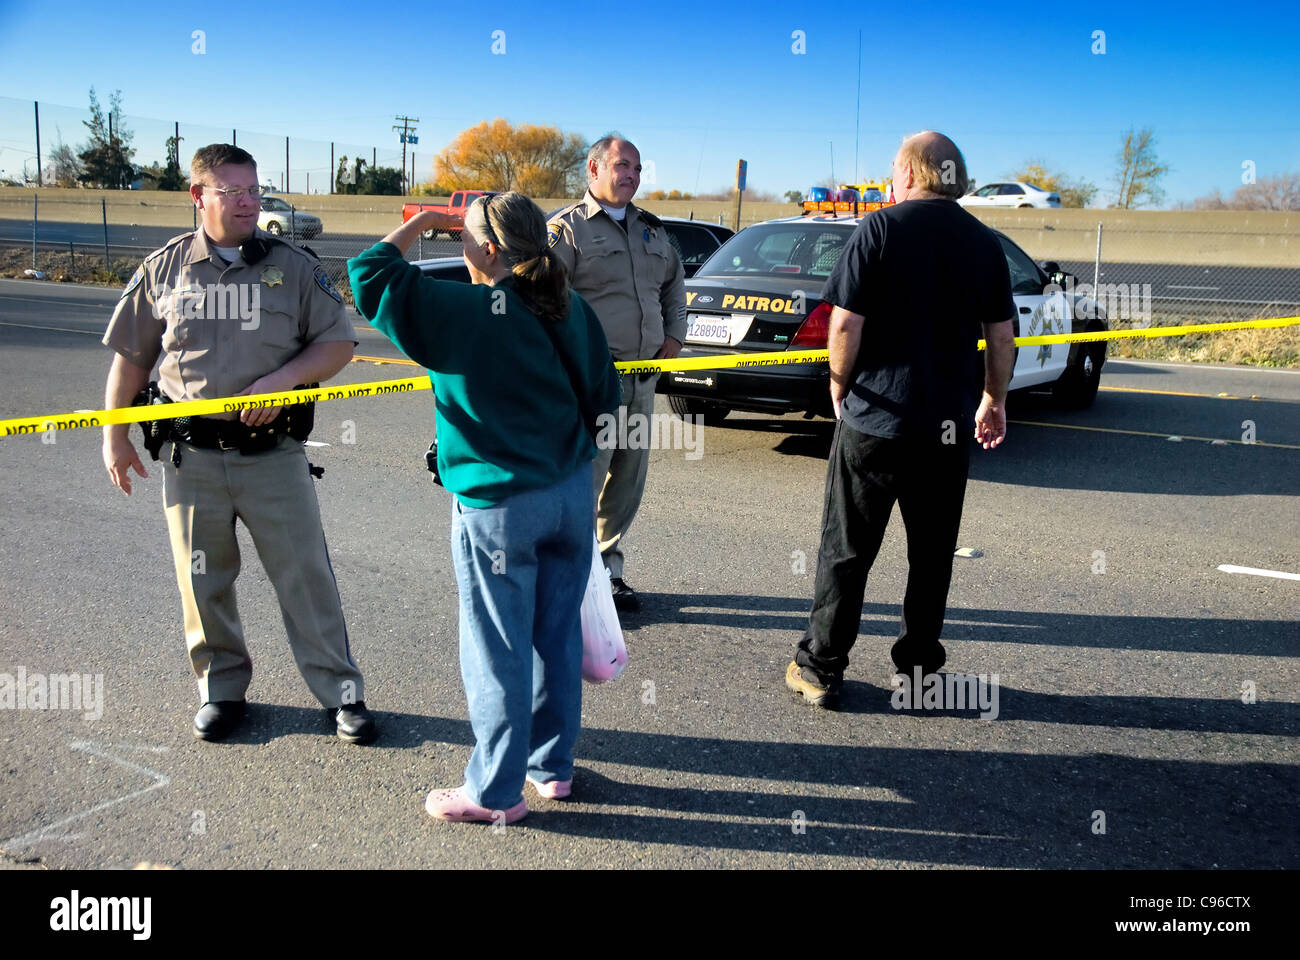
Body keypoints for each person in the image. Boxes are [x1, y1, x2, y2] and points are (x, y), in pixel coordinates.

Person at [347, 193, 620, 825]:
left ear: (488, 249)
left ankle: (494, 791)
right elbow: (606, 394)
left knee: (497, 646)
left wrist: (418, 223)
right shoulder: (568, 305)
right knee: (554, 636)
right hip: (569, 495)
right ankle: (553, 768)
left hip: (498, 504)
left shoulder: (468, 310)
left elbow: (369, 274)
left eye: (463, 237)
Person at [101, 143, 376, 744]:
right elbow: (131, 359)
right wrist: (113, 435)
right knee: (203, 581)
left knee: (306, 577)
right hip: (190, 458)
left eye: (254, 190)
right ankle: (221, 690)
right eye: (233, 192)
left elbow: (336, 343)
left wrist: (284, 380)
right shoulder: (163, 270)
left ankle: (341, 694)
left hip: (273, 455)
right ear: (199, 196)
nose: (250, 202)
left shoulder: (293, 265)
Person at [785, 131, 1017, 709]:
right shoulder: (984, 243)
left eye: (893, 169)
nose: (889, 179)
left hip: (876, 420)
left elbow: (844, 325)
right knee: (932, 555)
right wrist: (995, 399)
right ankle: (917, 670)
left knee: (846, 549)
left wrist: (838, 385)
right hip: (945, 429)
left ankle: (820, 667)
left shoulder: (880, 229)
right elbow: (1002, 336)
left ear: (914, 173)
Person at [547, 134, 686, 612]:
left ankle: (608, 570)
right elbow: (544, 301)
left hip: (643, 379)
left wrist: (674, 337)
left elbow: (673, 286)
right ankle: (573, 576)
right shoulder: (566, 232)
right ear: (594, 168)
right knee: (584, 479)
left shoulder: (651, 230)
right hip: (592, 382)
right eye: (622, 165)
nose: (632, 175)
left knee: (628, 479)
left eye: (638, 168)